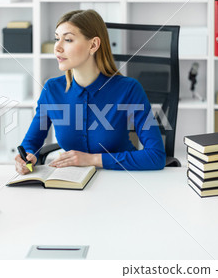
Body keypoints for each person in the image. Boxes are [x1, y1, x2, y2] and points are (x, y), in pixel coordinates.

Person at [15, 9, 166, 174]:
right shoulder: (52, 89)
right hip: (73, 184)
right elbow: (31, 143)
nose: (57, 48)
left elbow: (156, 156)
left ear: (93, 45)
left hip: (121, 181)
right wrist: (26, 157)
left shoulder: (129, 89)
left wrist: (91, 159)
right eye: (57, 39)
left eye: (68, 40)